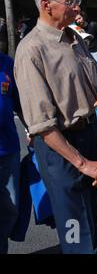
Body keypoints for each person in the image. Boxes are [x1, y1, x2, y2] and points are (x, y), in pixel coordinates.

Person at [14, 0, 97, 253]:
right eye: (71, 1)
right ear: (47, 5)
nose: (78, 8)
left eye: (77, 0)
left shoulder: (75, 38)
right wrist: (83, 164)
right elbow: (42, 125)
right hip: (62, 150)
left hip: (90, 137)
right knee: (76, 232)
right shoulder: (31, 50)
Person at [0, 52, 21, 254]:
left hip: (8, 148)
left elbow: (19, 102)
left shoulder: (7, 64)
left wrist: (31, 128)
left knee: (10, 208)